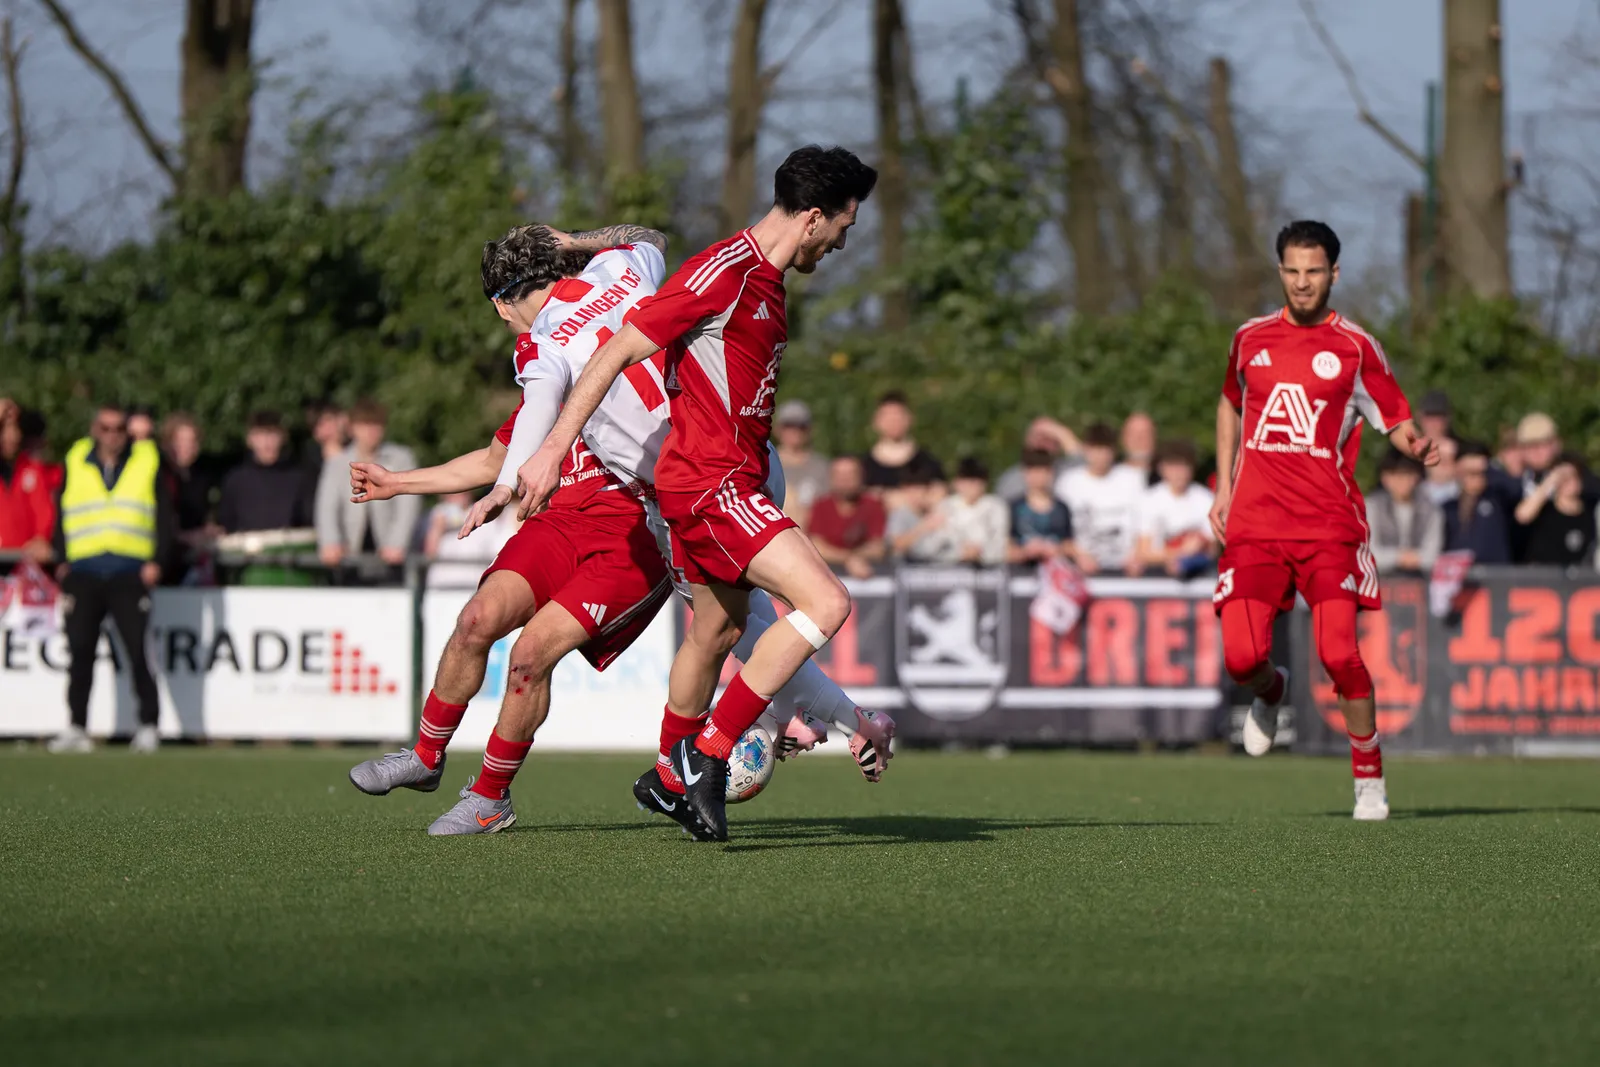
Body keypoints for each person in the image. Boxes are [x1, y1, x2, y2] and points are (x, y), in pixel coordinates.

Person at [352, 215, 891, 835]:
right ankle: (745, 742)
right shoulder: (621, 268)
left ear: (502, 305)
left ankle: (724, 749)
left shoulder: (543, 345)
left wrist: (504, 487)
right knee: (733, 629)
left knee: (730, 629)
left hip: (687, 493)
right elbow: (649, 238)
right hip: (726, 466)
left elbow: (531, 421)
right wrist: (577, 241)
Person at [515, 145, 879, 841]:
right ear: (812, 218)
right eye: (843, 227)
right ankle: (707, 752)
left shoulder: (765, 279)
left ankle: (667, 777)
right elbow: (616, 349)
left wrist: (581, 238)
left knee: (716, 633)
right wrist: (554, 449)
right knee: (827, 602)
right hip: (713, 484)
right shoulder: (727, 271)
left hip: (716, 481)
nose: (840, 242)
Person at [1209, 220, 1436, 821]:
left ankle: (1368, 778)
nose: (1302, 282)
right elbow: (1230, 401)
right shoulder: (1249, 337)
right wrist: (1223, 486)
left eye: (1313, 271)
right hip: (1255, 524)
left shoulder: (1356, 347)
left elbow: (1396, 418)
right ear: (1280, 271)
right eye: (1292, 270)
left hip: (1328, 527)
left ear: (1334, 273)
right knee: (1241, 658)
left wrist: (1417, 444)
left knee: (1339, 655)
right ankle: (1272, 690)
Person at [47, 405, 175, 754]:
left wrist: (157, 560)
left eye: (119, 429)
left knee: (137, 651)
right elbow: (60, 511)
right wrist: (61, 558)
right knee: (80, 651)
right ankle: (76, 726)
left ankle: (148, 724)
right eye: (106, 428)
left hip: (129, 571)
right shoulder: (76, 459)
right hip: (83, 571)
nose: (113, 436)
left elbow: (164, 514)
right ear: (94, 429)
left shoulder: (145, 460)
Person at [314, 399, 418, 576]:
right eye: (365, 425)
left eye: (376, 425)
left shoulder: (401, 458)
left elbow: (408, 506)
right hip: (348, 558)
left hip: (391, 559)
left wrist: (397, 543)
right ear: (352, 428)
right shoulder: (337, 463)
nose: (371, 432)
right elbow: (327, 508)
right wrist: (330, 542)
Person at [1056, 422, 1146, 575]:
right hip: (1082, 569)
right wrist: (1078, 556)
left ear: (1114, 451)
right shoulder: (1068, 482)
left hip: (1127, 569)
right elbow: (1060, 530)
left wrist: (1138, 556)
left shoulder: (1133, 478)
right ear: (1085, 449)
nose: (1101, 456)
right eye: (1095, 449)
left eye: (1106, 449)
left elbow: (1145, 523)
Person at [1132, 439, 1216, 578]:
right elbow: (1143, 553)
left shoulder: (1206, 498)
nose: (1178, 473)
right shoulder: (1149, 500)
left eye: (1183, 466)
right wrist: (1181, 551)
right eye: (1173, 466)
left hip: (1198, 576)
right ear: (1161, 468)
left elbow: (1212, 550)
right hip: (1156, 577)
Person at [217, 411, 310, 532]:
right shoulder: (235, 481)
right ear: (249, 439)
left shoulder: (299, 478)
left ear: (283, 438)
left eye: (272, 435)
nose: (267, 442)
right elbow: (225, 525)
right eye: (260, 435)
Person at [806, 454, 887, 578]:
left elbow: (878, 547)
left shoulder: (873, 505)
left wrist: (855, 558)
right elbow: (816, 546)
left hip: (868, 575)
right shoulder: (820, 506)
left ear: (861, 477)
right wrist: (849, 559)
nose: (845, 479)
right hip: (825, 573)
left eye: (850, 474)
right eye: (839, 474)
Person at [1366, 449, 1443, 576]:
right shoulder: (1372, 506)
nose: (1402, 481)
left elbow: (1433, 555)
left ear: (1417, 477)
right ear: (1385, 478)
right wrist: (1399, 557)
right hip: (1381, 581)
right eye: (1395, 475)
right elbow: (1369, 552)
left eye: (1408, 475)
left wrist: (1416, 559)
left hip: (1420, 581)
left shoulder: (1431, 510)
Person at [1515, 453, 1598, 568]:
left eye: (1574, 476)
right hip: (1544, 574)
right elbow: (1522, 516)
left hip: (1580, 575)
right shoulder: (1544, 509)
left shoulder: (1592, 509)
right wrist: (1551, 479)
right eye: (1564, 478)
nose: (1568, 481)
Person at [0, 399, 56, 569]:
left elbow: (44, 510)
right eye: (3, 429)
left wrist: (41, 538)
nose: (12, 436)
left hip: (25, 566)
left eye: (16, 428)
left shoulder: (33, 470)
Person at [923, 457, 1007, 565]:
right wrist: (959, 553)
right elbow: (933, 547)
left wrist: (980, 553)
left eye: (976, 482)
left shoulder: (995, 506)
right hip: (951, 567)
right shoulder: (945, 507)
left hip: (988, 567)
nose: (971, 487)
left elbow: (1000, 542)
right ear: (956, 483)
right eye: (966, 481)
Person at [1444, 440, 1517, 564]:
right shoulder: (1449, 507)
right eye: (1469, 472)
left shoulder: (1498, 500)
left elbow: (1516, 489)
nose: (1474, 478)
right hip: (1459, 573)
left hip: (1496, 572)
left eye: (1479, 473)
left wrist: (1488, 467)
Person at [859, 390, 943, 491]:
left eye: (898, 416)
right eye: (888, 417)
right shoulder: (863, 466)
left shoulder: (928, 463)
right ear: (876, 421)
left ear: (910, 419)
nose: (893, 422)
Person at [1007, 449, 1074, 562]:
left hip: (1055, 567)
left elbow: (1069, 544)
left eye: (1043, 471)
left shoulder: (1062, 508)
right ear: (1025, 473)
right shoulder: (1014, 507)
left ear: (1051, 473)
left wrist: (1056, 550)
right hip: (1021, 570)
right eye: (1034, 471)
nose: (1038, 477)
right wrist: (1026, 552)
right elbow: (1006, 549)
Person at [994, 417, 1081, 502]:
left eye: (1049, 440)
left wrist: (1061, 433)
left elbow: (1082, 463)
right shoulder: (1012, 479)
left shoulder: (1064, 470)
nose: (1043, 445)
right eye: (1039, 439)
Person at [773, 399, 829, 529]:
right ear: (777, 429)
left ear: (809, 430)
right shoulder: (766, 464)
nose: (795, 431)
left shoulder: (822, 467)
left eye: (801, 426)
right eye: (789, 425)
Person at [885, 470, 947, 562]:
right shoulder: (900, 514)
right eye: (910, 491)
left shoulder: (935, 511)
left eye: (918, 490)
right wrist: (923, 527)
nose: (914, 495)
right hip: (908, 566)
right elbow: (897, 544)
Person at [1120, 411, 1158, 485]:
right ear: (1123, 438)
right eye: (1133, 434)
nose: (1138, 439)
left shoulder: (1167, 479)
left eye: (1145, 434)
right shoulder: (1107, 477)